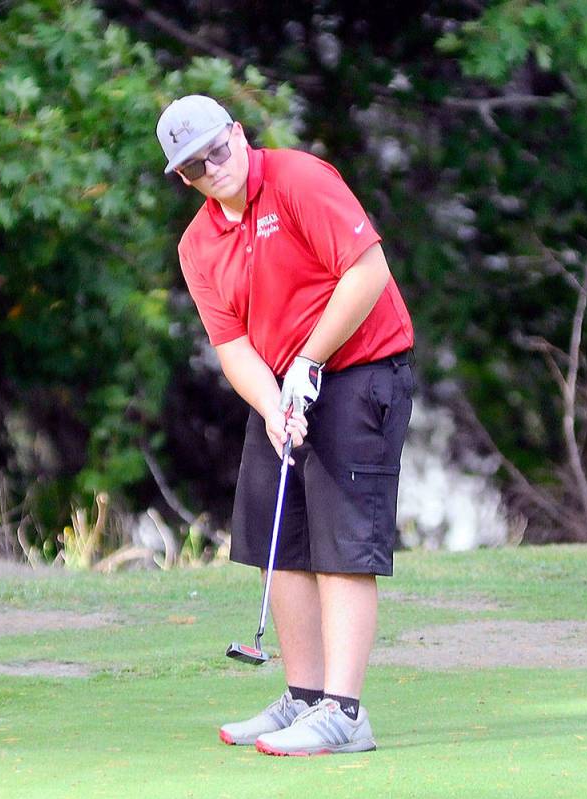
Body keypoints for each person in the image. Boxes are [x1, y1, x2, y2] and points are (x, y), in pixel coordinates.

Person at [156, 94, 414, 756]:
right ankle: (304, 699)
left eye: (218, 149)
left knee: (342, 542)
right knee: (283, 541)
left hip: (361, 369)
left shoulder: (299, 179)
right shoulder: (198, 244)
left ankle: (346, 712)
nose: (213, 168)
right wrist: (272, 404)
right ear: (182, 178)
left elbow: (368, 272)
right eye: (194, 167)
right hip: (281, 387)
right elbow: (231, 343)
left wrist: (310, 360)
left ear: (238, 135)